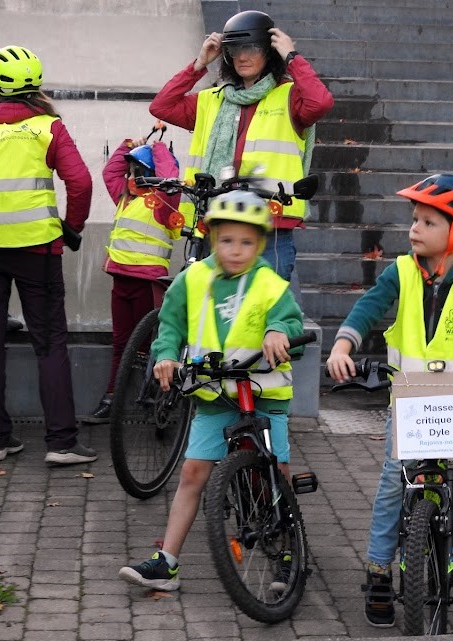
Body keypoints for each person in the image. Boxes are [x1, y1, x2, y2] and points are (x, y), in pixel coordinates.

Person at [325, 174, 453, 631]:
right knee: (390, 485)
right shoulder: (400, 272)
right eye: (414, 220)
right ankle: (378, 572)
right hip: (411, 403)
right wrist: (344, 344)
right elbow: (368, 307)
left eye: (428, 221)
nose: (415, 229)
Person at [117, 189, 304, 591]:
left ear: (260, 243)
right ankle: (167, 561)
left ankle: (290, 551)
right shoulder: (193, 279)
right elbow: (171, 325)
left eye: (247, 242)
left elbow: (289, 320)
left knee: (279, 473)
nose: (236, 250)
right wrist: (166, 355)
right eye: (227, 241)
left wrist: (277, 330)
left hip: (263, 391)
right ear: (210, 237)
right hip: (214, 394)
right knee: (191, 473)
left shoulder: (271, 284)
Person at [0, 45, 96, 465]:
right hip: (38, 251)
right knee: (49, 344)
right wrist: (72, 228)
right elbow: (80, 184)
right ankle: (61, 442)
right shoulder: (48, 127)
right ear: (36, 85)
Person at [149, 9, 334, 282]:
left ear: (269, 52)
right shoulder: (212, 99)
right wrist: (198, 65)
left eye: (252, 48)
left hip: (272, 222)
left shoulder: (290, 95)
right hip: (220, 219)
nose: (243, 56)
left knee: (274, 313)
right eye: (235, 49)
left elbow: (321, 103)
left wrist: (292, 58)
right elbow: (161, 106)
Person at [83, 135, 182, 423]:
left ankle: (155, 401)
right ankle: (112, 400)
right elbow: (109, 172)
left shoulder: (164, 200)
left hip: (147, 282)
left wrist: (158, 148)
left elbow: (170, 175)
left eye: (138, 169)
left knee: (147, 346)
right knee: (121, 344)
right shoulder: (126, 197)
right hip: (121, 280)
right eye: (131, 169)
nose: (131, 174)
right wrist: (128, 145)